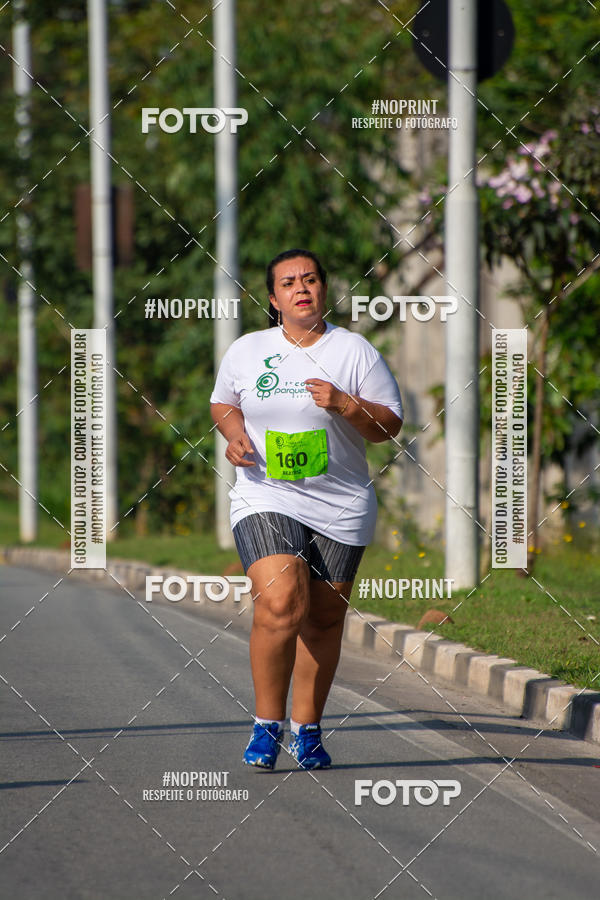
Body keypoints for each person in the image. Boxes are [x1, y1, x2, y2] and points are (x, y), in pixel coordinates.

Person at [210, 248, 403, 770]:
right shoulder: (248, 350)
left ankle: (308, 729)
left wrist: (346, 404)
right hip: (265, 492)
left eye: (311, 279)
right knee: (280, 603)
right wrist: (234, 435)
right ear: (273, 299)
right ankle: (266, 725)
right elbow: (223, 402)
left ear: (324, 289)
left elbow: (389, 426)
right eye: (289, 282)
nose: (302, 288)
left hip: (341, 501)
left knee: (323, 619)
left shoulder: (354, 352)